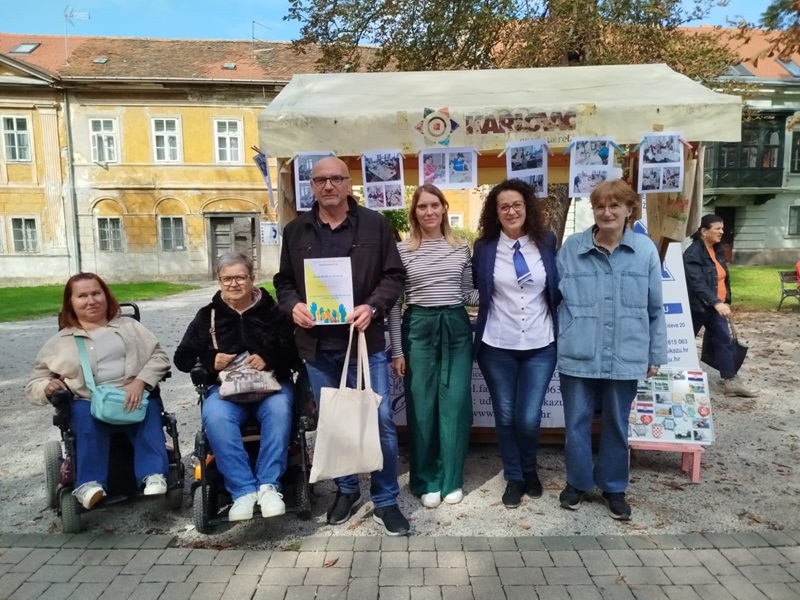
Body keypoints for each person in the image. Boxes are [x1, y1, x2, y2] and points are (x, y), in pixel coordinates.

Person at [274, 156, 409, 536]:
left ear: (349, 183)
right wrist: (293, 305)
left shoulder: (375, 225)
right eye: (320, 180)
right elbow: (284, 282)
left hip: (365, 342)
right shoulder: (295, 231)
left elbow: (394, 275)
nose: (328, 185)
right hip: (317, 347)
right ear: (312, 186)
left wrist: (372, 306)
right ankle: (347, 490)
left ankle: (385, 500)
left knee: (380, 420)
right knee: (334, 422)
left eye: (336, 178)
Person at [556, 179, 667, 521]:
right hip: (579, 351)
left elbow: (655, 308)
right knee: (576, 423)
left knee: (617, 423)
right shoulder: (571, 248)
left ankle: (614, 487)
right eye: (600, 206)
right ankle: (577, 483)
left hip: (625, 352)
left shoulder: (645, 251)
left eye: (614, 205)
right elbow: (553, 298)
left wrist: (655, 354)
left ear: (629, 209)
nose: (607, 212)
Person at [25, 273, 170, 510]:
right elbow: (35, 383)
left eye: (96, 293)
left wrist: (141, 381)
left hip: (131, 393)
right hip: (88, 400)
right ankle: (89, 484)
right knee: (82, 414)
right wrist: (47, 387)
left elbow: (159, 356)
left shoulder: (130, 327)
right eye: (82, 296)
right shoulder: (59, 342)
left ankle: (153, 474)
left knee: (148, 406)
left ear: (106, 296)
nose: (91, 300)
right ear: (71, 302)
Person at [174, 252, 300, 521]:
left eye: (240, 277)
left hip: (271, 388)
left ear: (252, 278)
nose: (233, 284)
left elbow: (297, 353)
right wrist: (210, 359)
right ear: (219, 281)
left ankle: (268, 486)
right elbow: (182, 358)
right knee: (215, 416)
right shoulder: (207, 316)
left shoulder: (274, 312)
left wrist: (269, 357)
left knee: (279, 410)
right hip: (226, 392)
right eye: (227, 279)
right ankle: (243, 490)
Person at [388, 184, 478, 509]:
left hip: (455, 326)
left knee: (455, 404)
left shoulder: (461, 247)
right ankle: (427, 480)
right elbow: (395, 303)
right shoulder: (402, 250)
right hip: (418, 327)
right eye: (422, 206)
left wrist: (503, 291)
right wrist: (397, 350)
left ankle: (451, 478)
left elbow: (468, 294)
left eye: (434, 205)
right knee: (422, 406)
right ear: (414, 213)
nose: (429, 212)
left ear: (443, 208)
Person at [472, 179, 559, 509]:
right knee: (506, 415)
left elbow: (557, 287)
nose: (511, 211)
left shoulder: (547, 242)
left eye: (517, 205)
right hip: (497, 344)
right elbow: (475, 288)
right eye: (504, 206)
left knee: (528, 417)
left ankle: (529, 468)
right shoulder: (484, 248)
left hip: (541, 343)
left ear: (527, 208)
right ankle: (514, 477)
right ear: (495, 213)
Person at [683, 214, 757, 397]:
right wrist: (716, 302)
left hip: (716, 307)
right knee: (684, 341)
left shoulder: (717, 250)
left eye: (722, 228)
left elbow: (720, 278)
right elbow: (697, 283)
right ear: (704, 231)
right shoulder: (693, 253)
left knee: (724, 341)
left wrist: (723, 301)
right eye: (717, 228)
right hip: (698, 307)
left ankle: (730, 382)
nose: (722, 232)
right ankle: (674, 376)